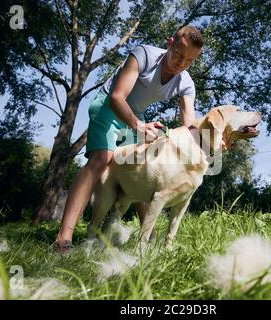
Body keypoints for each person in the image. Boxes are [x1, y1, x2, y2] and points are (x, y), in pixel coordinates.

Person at [53, 25, 204, 253]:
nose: (181, 63)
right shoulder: (143, 54)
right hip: (108, 105)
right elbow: (117, 97)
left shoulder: (186, 84)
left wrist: (216, 140)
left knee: (142, 171)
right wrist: (139, 126)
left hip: (136, 116)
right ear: (169, 43)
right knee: (101, 160)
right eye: (178, 54)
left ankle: (149, 239)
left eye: (189, 61)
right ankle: (63, 238)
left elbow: (189, 125)